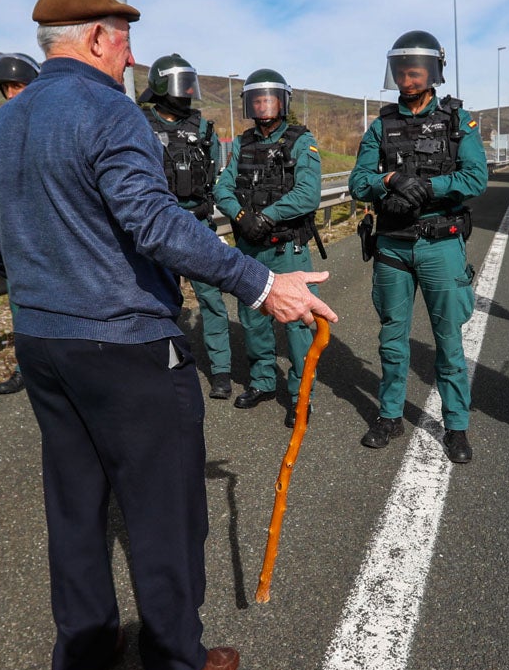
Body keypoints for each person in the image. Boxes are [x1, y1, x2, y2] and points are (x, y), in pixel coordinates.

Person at [0, 0, 337, 670]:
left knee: (75, 505)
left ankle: (80, 658)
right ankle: (173, 660)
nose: (132, 58)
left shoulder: (1, 125)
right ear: (99, 39)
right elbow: (156, 224)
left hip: (43, 343)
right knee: (163, 508)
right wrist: (264, 285)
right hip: (128, 345)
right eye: (125, 42)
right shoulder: (107, 109)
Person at [349, 30, 488, 463]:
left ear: (432, 73)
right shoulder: (381, 125)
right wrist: (390, 179)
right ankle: (390, 415)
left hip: (439, 244)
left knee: (448, 341)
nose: (408, 78)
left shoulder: (456, 122)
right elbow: (357, 181)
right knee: (392, 340)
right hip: (392, 246)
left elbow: (475, 179)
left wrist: (426, 186)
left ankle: (457, 426)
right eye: (401, 70)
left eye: (416, 70)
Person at [214, 68, 323, 427]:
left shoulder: (301, 141)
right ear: (249, 104)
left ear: (282, 101)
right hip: (250, 247)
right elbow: (222, 189)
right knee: (253, 321)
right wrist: (242, 216)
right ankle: (262, 382)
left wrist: (268, 217)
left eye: (269, 98)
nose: (262, 105)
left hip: (287, 248)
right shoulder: (243, 144)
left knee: (297, 326)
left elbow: (308, 194)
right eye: (256, 98)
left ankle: (300, 394)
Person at [140, 53, 234, 401]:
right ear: (161, 86)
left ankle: (221, 371)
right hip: (157, 228)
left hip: (198, 226)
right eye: (180, 84)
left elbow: (216, 174)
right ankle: (162, 368)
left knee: (211, 300)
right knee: (159, 303)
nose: (186, 91)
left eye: (188, 83)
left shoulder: (204, 128)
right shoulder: (139, 125)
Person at [0, 52, 42, 396]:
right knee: (20, 306)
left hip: (49, 231)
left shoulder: (49, 124)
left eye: (18, 85)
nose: (11, 94)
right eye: (6, 87)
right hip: (15, 234)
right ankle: (26, 368)